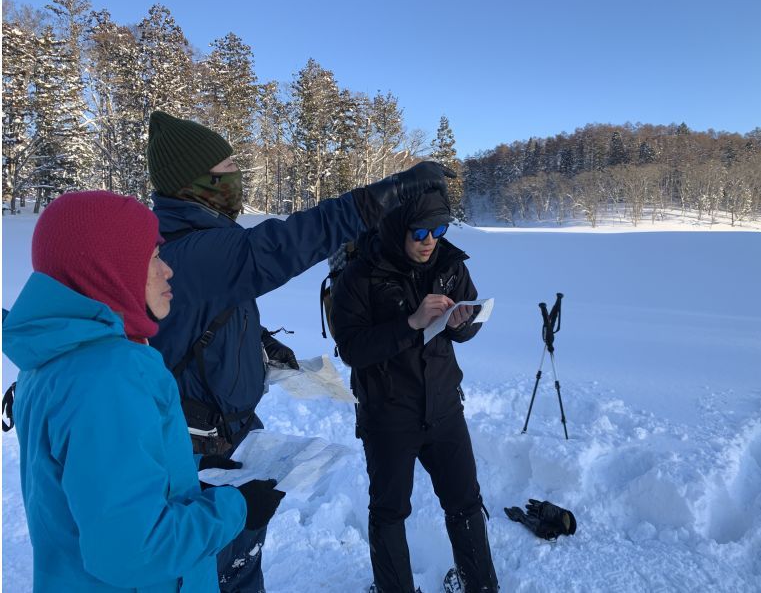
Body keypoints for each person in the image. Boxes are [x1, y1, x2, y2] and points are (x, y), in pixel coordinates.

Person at [145, 110, 455, 592]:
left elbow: (208, 319)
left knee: (240, 565)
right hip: (200, 453)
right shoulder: (195, 250)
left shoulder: (199, 239)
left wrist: (258, 346)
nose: (237, 179)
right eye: (227, 171)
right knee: (219, 572)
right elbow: (282, 246)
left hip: (227, 440)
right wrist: (388, 193)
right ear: (197, 183)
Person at [2, 191, 282, 592]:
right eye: (152, 257)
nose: (167, 271)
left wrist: (186, 478)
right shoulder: (107, 376)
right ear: (109, 268)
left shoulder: (58, 356)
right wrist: (237, 510)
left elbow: (92, 491)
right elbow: (134, 552)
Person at [330, 189, 499, 593]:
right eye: (420, 231)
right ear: (396, 228)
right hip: (388, 414)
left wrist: (462, 322)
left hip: (443, 406)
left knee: (465, 502)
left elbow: (469, 322)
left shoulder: (449, 263)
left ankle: (481, 587)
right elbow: (352, 348)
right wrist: (411, 322)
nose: (429, 241)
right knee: (389, 512)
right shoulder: (361, 274)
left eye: (438, 230)